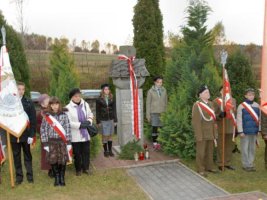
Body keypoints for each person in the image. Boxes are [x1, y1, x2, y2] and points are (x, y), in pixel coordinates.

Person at [40, 97, 71, 186]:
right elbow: (43, 130)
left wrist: (68, 142)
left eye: (56, 104)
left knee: (63, 160)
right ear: (50, 105)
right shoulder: (47, 116)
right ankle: (57, 177)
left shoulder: (64, 115)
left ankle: (62, 176)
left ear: (59, 104)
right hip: (51, 142)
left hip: (62, 142)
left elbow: (68, 128)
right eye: (53, 104)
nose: (55, 106)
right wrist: (45, 143)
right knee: (53, 160)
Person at [10, 81, 36, 184]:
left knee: (27, 155)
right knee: (16, 156)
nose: (21, 91)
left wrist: (32, 135)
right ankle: (19, 177)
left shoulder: (29, 103)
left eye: (22, 89)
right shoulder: (10, 104)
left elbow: (33, 120)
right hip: (13, 134)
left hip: (26, 135)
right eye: (18, 89)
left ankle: (30, 176)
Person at [192, 85, 218, 177]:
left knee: (210, 151)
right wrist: (199, 135)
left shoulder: (211, 104)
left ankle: (209, 166)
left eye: (208, 92)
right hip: (202, 132)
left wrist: (215, 133)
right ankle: (200, 169)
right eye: (206, 92)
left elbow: (213, 120)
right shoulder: (197, 105)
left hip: (210, 132)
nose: (208, 93)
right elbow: (196, 122)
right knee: (201, 152)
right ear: (200, 95)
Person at [66, 88, 93, 176]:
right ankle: (78, 169)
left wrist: (89, 121)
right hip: (75, 134)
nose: (78, 98)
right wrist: (80, 125)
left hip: (85, 133)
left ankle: (86, 168)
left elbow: (90, 114)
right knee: (77, 153)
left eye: (78, 96)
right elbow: (68, 122)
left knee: (86, 152)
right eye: (75, 96)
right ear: (71, 98)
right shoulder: (67, 108)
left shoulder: (85, 104)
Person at [237, 88, 261, 172]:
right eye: (249, 95)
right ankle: (245, 164)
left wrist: (259, 130)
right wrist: (240, 131)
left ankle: (250, 164)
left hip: (254, 131)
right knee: (244, 148)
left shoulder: (257, 105)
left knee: (252, 148)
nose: (251, 96)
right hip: (245, 132)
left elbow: (259, 119)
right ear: (246, 95)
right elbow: (239, 119)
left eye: (253, 95)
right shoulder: (241, 106)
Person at [213, 86, 236, 170]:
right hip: (221, 126)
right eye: (224, 90)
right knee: (220, 146)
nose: (226, 91)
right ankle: (220, 163)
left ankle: (227, 163)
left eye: (228, 90)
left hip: (230, 127)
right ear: (220, 92)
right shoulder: (216, 101)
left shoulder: (233, 100)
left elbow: (234, 114)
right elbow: (212, 115)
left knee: (229, 146)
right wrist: (219, 115)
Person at [146, 76, 167, 150]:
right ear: (155, 82)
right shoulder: (150, 91)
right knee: (155, 128)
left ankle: (160, 142)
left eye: (161, 82)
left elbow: (166, 102)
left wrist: (166, 112)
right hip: (154, 113)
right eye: (158, 82)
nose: (160, 84)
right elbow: (148, 103)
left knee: (161, 128)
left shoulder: (164, 90)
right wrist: (148, 115)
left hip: (162, 113)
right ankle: (155, 143)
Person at [96, 84, 117, 157]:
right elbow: (97, 111)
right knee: (105, 136)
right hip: (103, 120)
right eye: (105, 89)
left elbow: (114, 109)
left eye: (108, 89)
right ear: (102, 90)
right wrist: (98, 121)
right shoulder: (99, 99)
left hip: (111, 119)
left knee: (110, 135)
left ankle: (110, 151)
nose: (107, 90)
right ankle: (105, 151)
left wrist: (115, 120)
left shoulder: (112, 98)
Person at [36, 94, 53, 177]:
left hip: (54, 136)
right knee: (47, 153)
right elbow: (37, 126)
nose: (50, 102)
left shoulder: (53, 110)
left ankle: (54, 168)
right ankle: (50, 170)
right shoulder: (40, 113)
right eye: (47, 101)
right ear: (42, 104)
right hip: (46, 137)